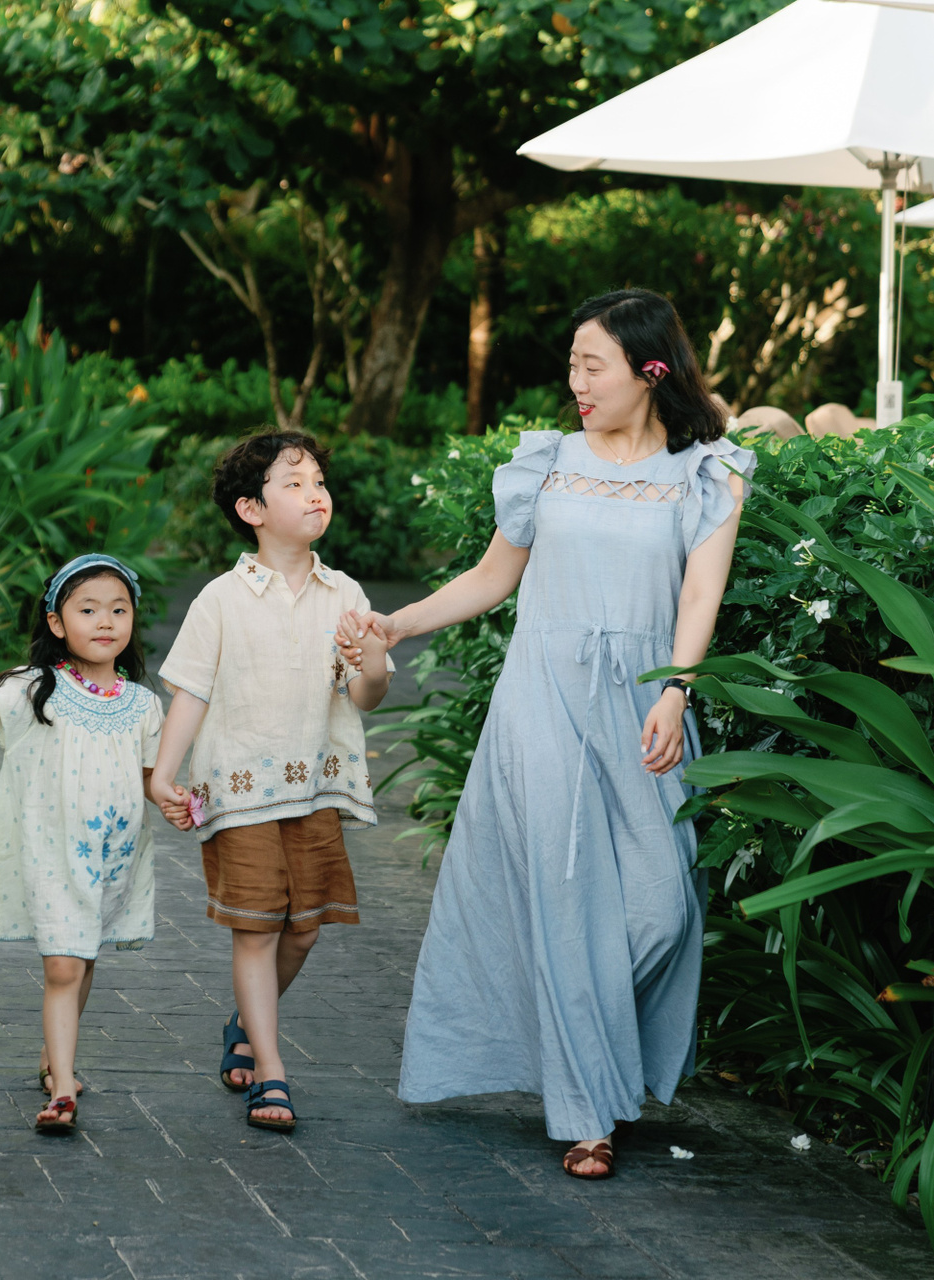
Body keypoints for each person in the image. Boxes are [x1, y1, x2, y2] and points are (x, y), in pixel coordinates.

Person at [339, 289, 751, 1179]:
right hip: (542, 694)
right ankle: (586, 1114)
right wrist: (397, 623)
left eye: (592, 366)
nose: (577, 384)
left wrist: (676, 691)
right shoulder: (547, 462)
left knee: (661, 908)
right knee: (566, 903)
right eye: (572, 365)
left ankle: (578, 1051)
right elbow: (492, 577)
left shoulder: (709, 473)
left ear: (651, 371)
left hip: (642, 702)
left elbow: (700, 594)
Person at [148, 432, 393, 1133]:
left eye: (319, 480)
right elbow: (191, 691)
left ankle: (245, 1023)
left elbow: (366, 695)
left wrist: (372, 657)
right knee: (256, 931)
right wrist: (163, 775)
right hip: (237, 791)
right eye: (295, 483)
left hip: (312, 791)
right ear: (251, 509)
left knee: (303, 933)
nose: (316, 493)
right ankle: (272, 1069)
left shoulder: (345, 594)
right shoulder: (221, 599)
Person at [0, 555, 164, 1134]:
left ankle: (55, 1056)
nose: (105, 621)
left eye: (118, 610)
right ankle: (64, 1089)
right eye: (88, 610)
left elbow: (151, 778)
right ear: (56, 623)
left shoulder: (143, 704)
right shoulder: (33, 689)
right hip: (50, 854)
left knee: (83, 958)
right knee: (63, 966)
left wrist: (178, 798)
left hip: (112, 856)